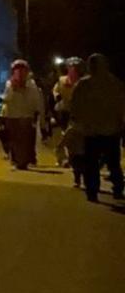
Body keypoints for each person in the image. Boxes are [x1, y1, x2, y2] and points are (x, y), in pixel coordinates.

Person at [69, 52, 125, 203]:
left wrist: (77, 120)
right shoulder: (113, 83)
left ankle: (94, 191)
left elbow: (75, 105)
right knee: (109, 162)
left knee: (94, 163)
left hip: (95, 130)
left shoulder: (86, 84)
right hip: (105, 130)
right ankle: (115, 188)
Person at [0, 59, 45, 170]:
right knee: (14, 139)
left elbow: (36, 99)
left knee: (26, 139)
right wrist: (13, 89)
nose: (19, 72)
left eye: (22, 70)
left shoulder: (31, 85)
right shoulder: (10, 84)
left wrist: (37, 112)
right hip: (12, 115)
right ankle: (16, 160)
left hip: (26, 115)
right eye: (17, 69)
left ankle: (25, 160)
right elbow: (7, 98)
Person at [52, 57, 85, 169]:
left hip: (79, 112)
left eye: (76, 68)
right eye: (71, 67)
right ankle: (63, 158)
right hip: (64, 112)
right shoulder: (62, 80)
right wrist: (57, 96)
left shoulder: (84, 82)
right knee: (63, 136)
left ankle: (74, 158)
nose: (74, 70)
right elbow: (56, 90)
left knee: (74, 137)